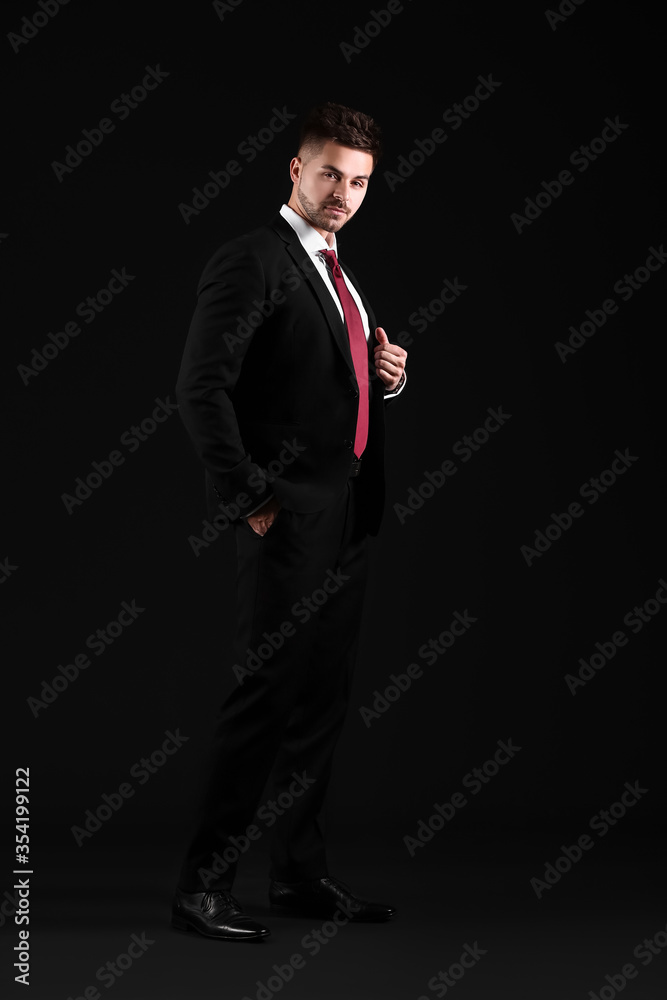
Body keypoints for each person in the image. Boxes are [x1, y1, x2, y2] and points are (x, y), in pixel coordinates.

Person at [172, 101, 407, 941]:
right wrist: (251, 500)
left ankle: (300, 877)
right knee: (264, 698)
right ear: (294, 171)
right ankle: (203, 888)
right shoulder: (252, 259)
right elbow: (201, 390)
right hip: (288, 517)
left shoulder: (338, 272)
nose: (343, 193)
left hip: (345, 513)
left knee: (319, 701)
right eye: (329, 174)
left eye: (359, 182)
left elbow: (316, 380)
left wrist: (384, 377)